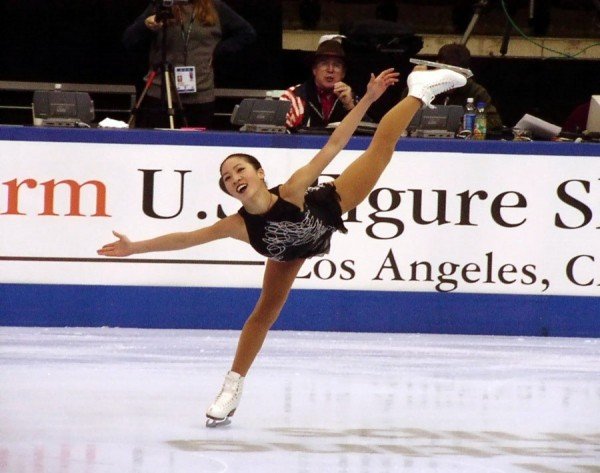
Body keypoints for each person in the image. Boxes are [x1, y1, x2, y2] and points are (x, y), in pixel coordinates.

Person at [97, 66, 467, 425]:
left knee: (380, 150)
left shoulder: (292, 189)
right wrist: (136, 248)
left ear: (259, 174)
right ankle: (232, 387)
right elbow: (186, 239)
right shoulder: (237, 225)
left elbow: (336, 143)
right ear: (227, 190)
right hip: (288, 254)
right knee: (263, 315)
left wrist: (368, 98)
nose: (234, 177)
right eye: (227, 177)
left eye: (240, 169)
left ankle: (419, 89)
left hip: (328, 209)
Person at [123, 0, 256, 129]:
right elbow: (129, 39)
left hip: (201, 94)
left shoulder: (214, 6)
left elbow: (247, 33)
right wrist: (145, 25)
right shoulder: (161, 5)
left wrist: (217, 52)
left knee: (197, 147)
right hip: (161, 93)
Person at [402, 43, 503, 130]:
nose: (451, 82)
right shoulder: (422, 87)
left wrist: (463, 122)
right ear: (436, 66)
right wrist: (417, 85)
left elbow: (495, 122)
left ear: (466, 73)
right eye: (446, 75)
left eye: (456, 76)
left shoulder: (476, 92)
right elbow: (401, 115)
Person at [280, 38, 360, 130]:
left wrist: (350, 106)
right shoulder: (294, 96)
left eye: (336, 65)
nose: (330, 70)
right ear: (314, 69)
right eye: (324, 64)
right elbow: (280, 134)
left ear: (343, 73)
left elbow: (370, 134)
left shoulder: (352, 98)